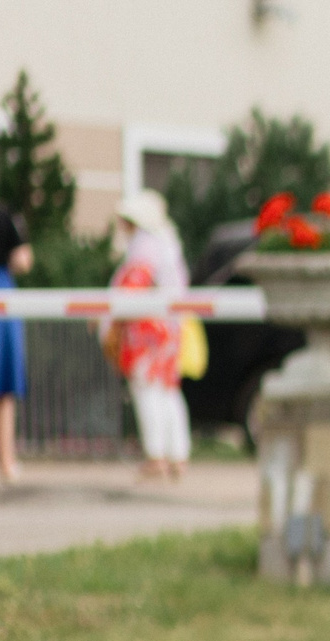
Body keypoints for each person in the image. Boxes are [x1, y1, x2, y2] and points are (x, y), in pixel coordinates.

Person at [105, 191, 189, 481]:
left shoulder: (143, 246)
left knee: (146, 390)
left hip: (146, 329)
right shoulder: (168, 243)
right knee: (169, 390)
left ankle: (156, 455)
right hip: (170, 327)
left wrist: (110, 318)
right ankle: (178, 455)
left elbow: (132, 288)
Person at [0, 196, 29, 485]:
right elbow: (23, 260)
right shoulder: (5, 217)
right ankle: (6, 462)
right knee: (3, 387)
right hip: (1, 290)